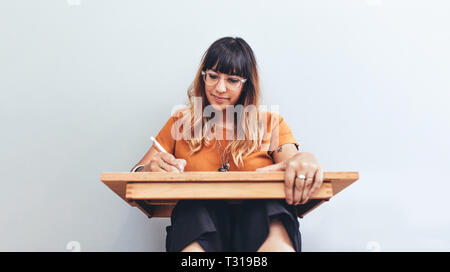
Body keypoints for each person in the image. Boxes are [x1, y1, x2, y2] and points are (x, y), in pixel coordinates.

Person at [131, 37, 323, 252]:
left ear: (246, 84)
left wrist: (304, 160)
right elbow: (135, 175)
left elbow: (293, 163)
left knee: (271, 207)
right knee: (193, 206)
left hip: (260, 226)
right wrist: (148, 169)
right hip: (198, 226)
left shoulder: (269, 123)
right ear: (203, 77)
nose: (219, 88)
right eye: (212, 76)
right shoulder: (180, 122)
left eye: (232, 80)